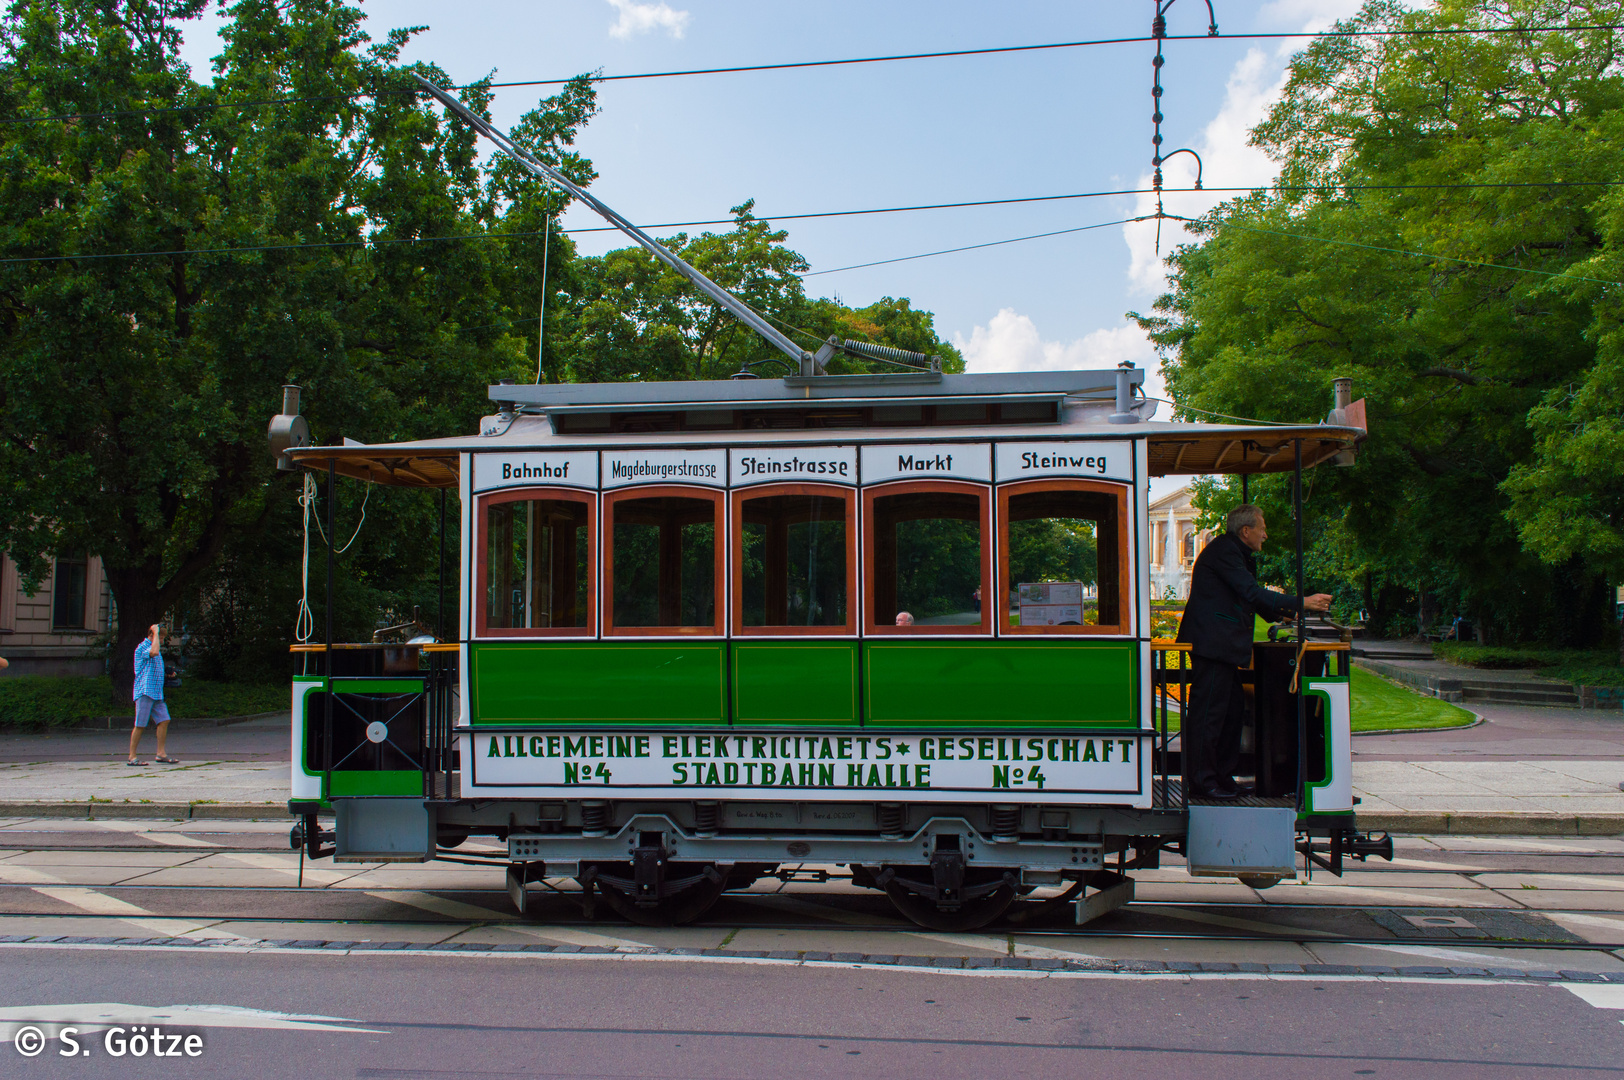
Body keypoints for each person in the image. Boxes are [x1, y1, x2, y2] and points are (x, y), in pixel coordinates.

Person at [1175, 505, 1331, 799]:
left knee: (1231, 714)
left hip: (1221, 648)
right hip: (1213, 647)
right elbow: (1251, 592)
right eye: (1262, 528)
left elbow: (1250, 598)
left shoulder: (1234, 552)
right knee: (1209, 715)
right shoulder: (1225, 551)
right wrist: (1303, 603)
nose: (1266, 535)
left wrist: (1284, 613)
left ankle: (1221, 776)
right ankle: (1201, 782)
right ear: (1246, 531)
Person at [128, 623, 178, 766]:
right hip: (144, 691)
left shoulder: (156, 648)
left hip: (156, 692)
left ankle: (161, 753)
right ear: (152, 635)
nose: (162, 641)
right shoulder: (142, 648)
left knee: (164, 720)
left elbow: (154, 666)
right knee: (140, 724)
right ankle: (132, 756)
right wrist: (156, 632)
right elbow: (154, 652)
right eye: (161, 637)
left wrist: (167, 673)